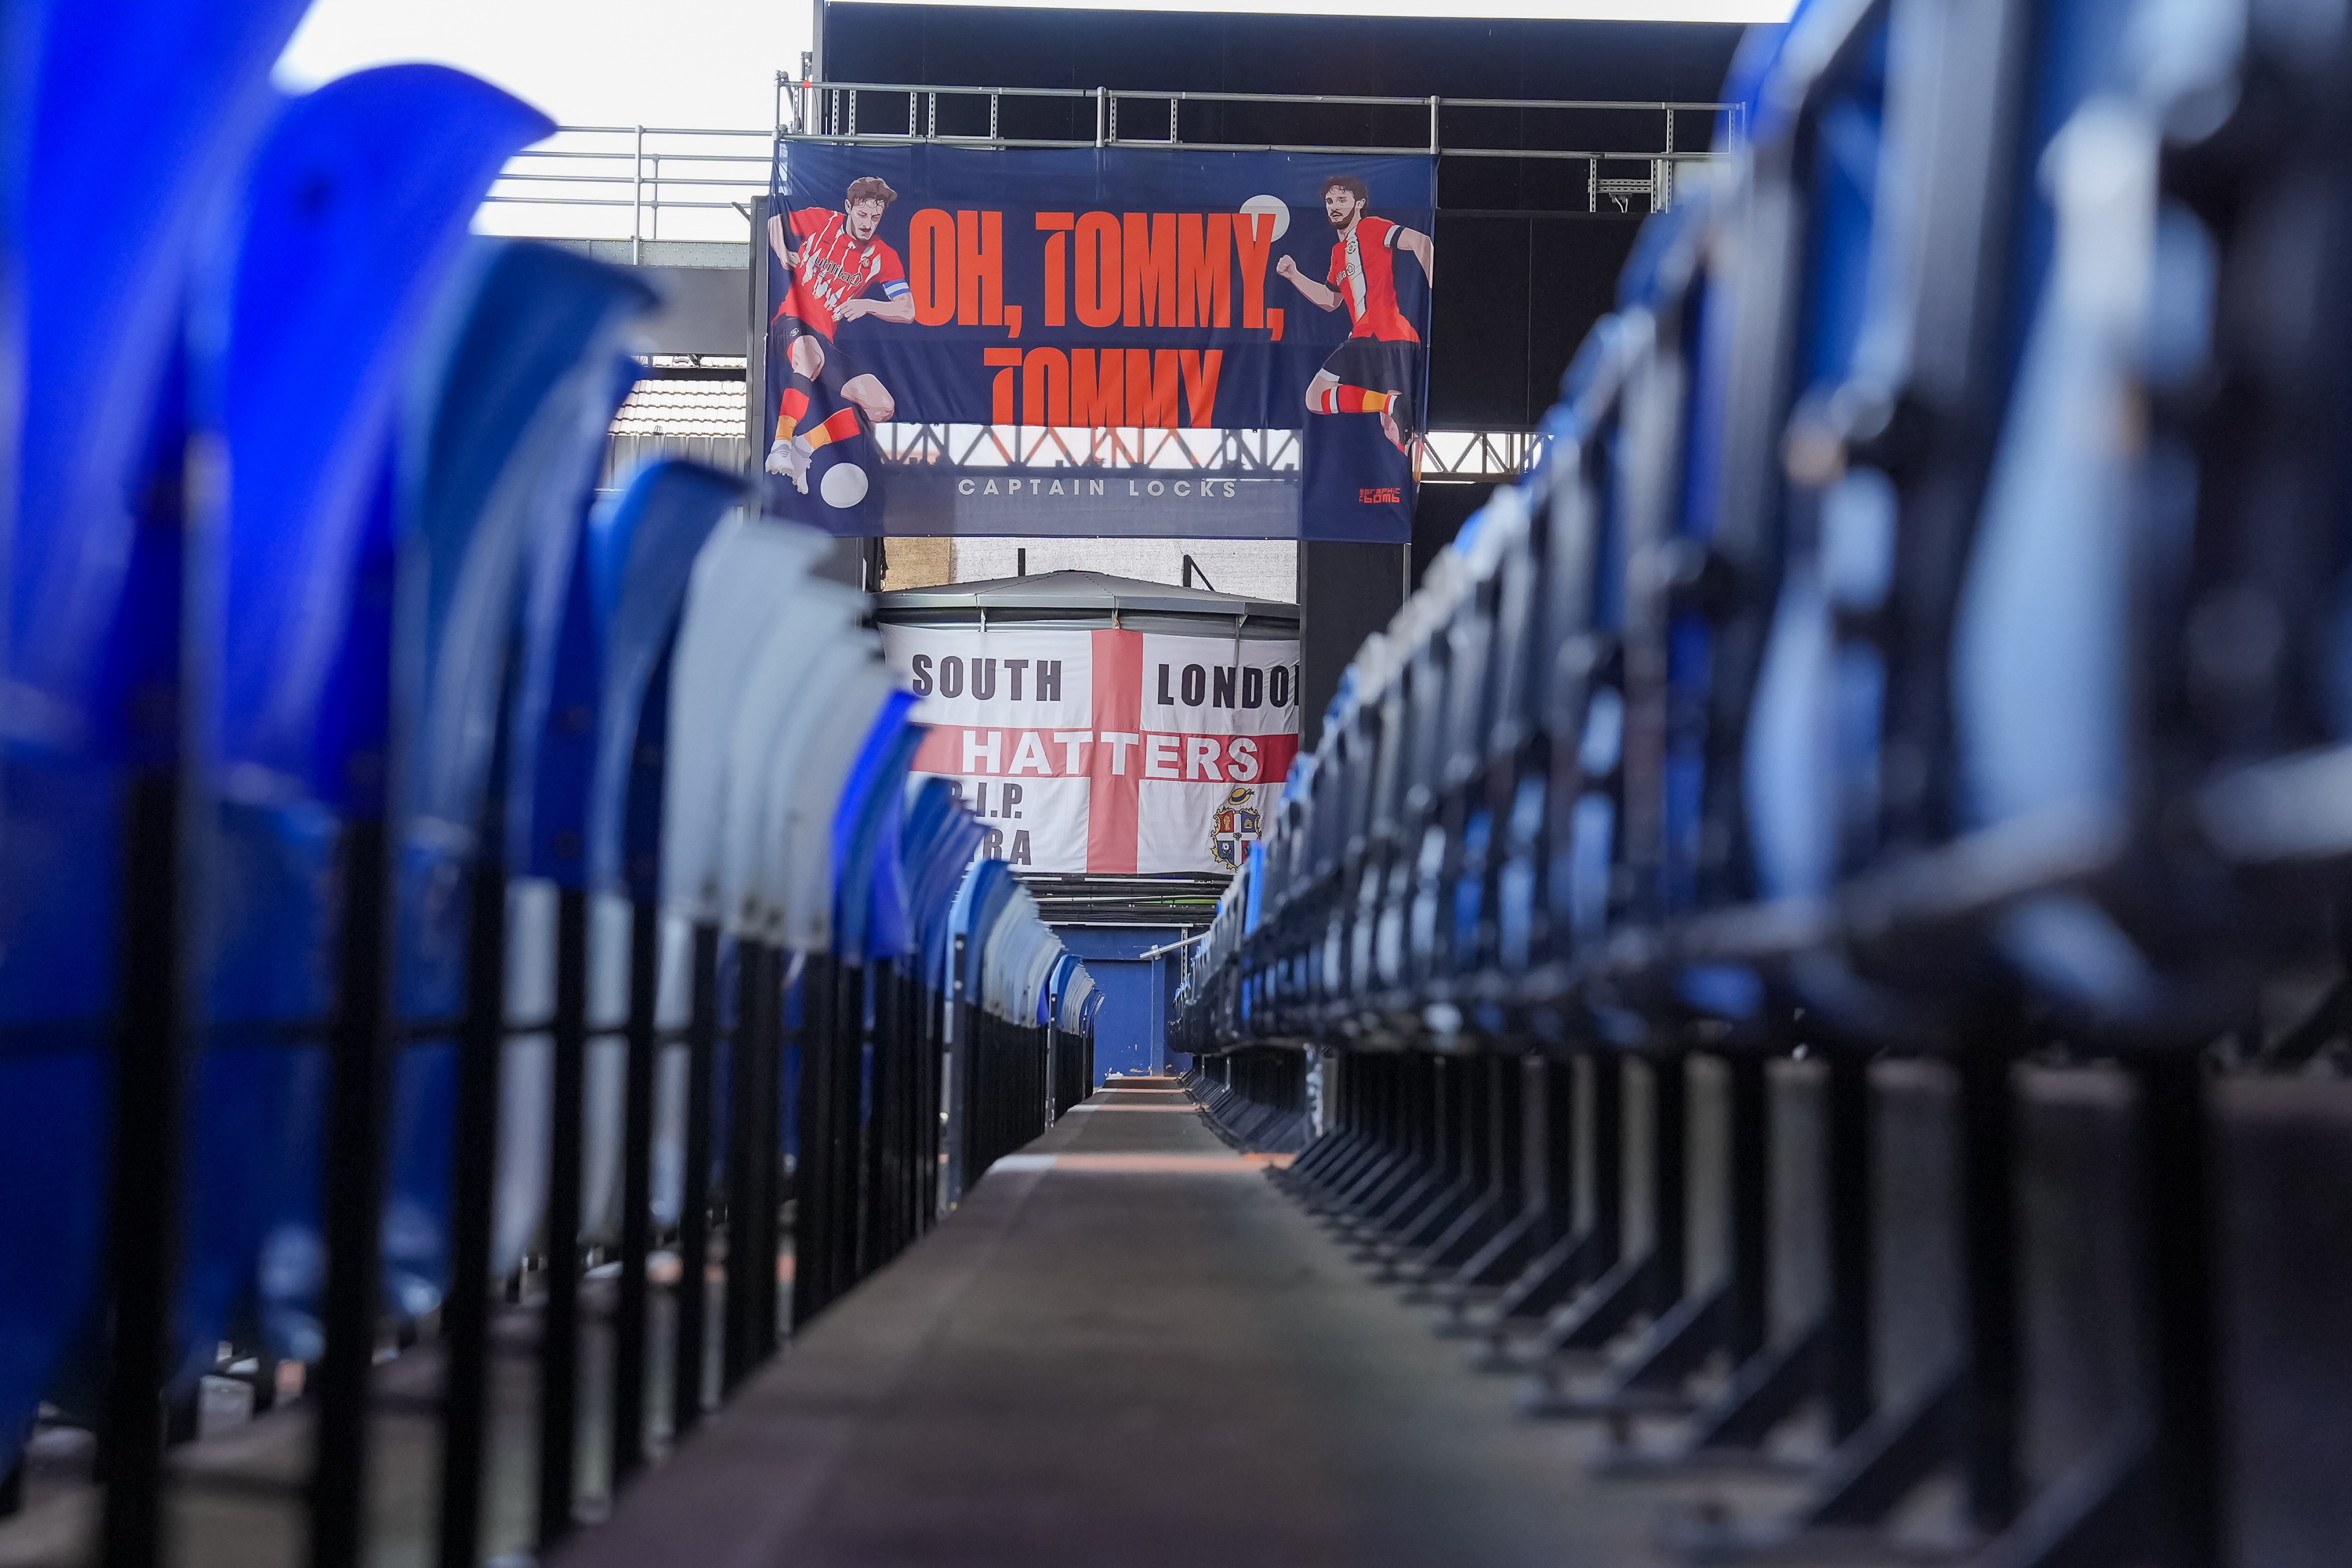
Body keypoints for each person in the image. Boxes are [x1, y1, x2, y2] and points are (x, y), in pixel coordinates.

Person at [764, 175, 918, 491]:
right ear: (849, 208)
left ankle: (803, 448)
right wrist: (782, 251)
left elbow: (907, 310)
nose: (868, 223)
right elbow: (775, 223)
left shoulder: (882, 256)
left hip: (825, 340)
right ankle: (780, 444)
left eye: (875, 217)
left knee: (881, 406)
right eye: (862, 215)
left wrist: (868, 305)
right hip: (790, 322)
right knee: (810, 354)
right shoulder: (822, 220)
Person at [1274, 174, 1434, 454]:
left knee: (1316, 396)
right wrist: (1294, 276)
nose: (1334, 206)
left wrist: (1434, 294)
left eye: (1342, 199)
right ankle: (1411, 456)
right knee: (1391, 428)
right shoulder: (1338, 253)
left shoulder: (1371, 227)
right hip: (1394, 340)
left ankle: (1390, 405)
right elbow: (1330, 300)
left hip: (1378, 334)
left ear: (1359, 203)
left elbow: (1422, 243)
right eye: (1329, 201)